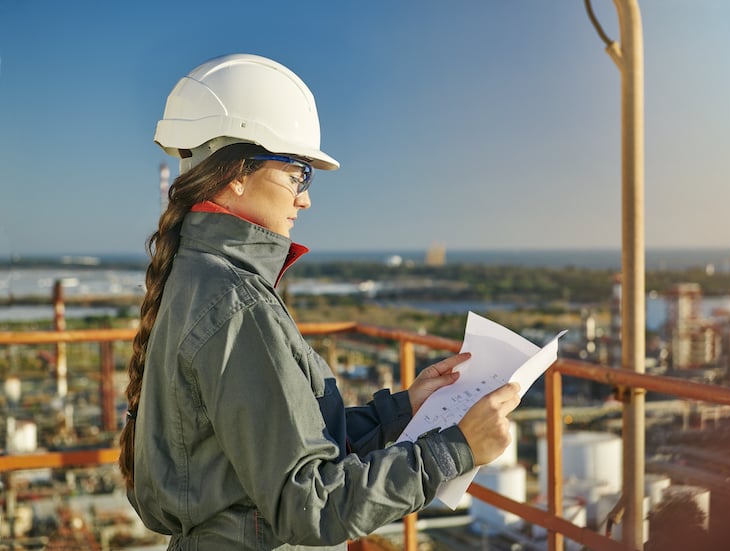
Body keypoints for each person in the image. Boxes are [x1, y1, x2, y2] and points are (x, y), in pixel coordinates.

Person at [119, 53, 521, 551]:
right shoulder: (238, 306)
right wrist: (455, 450)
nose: (305, 198)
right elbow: (311, 506)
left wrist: (400, 411)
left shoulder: (197, 276)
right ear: (237, 172)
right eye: (298, 174)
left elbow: (281, 444)